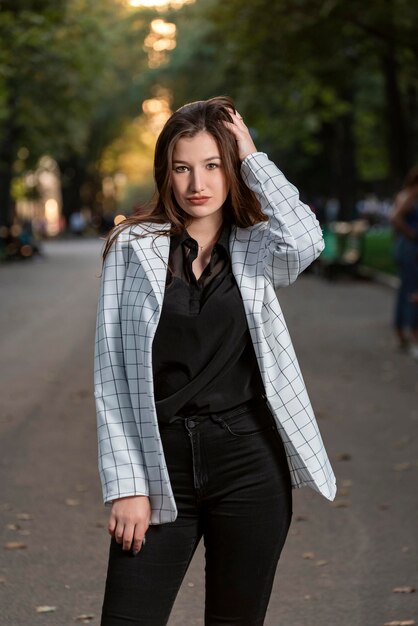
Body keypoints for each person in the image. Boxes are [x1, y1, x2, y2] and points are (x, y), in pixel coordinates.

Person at [94, 96, 336, 626]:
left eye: (213, 165)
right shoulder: (134, 246)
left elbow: (308, 239)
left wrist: (251, 154)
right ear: (166, 173)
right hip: (162, 461)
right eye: (182, 167)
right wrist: (127, 485)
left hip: (249, 461)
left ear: (231, 170)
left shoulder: (258, 245)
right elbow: (111, 372)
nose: (196, 183)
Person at [390, 166, 418, 359]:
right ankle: (412, 332)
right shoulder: (413, 194)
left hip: (403, 247)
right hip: (410, 247)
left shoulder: (404, 193)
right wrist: (413, 234)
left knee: (405, 290)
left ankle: (401, 330)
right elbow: (395, 218)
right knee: (412, 291)